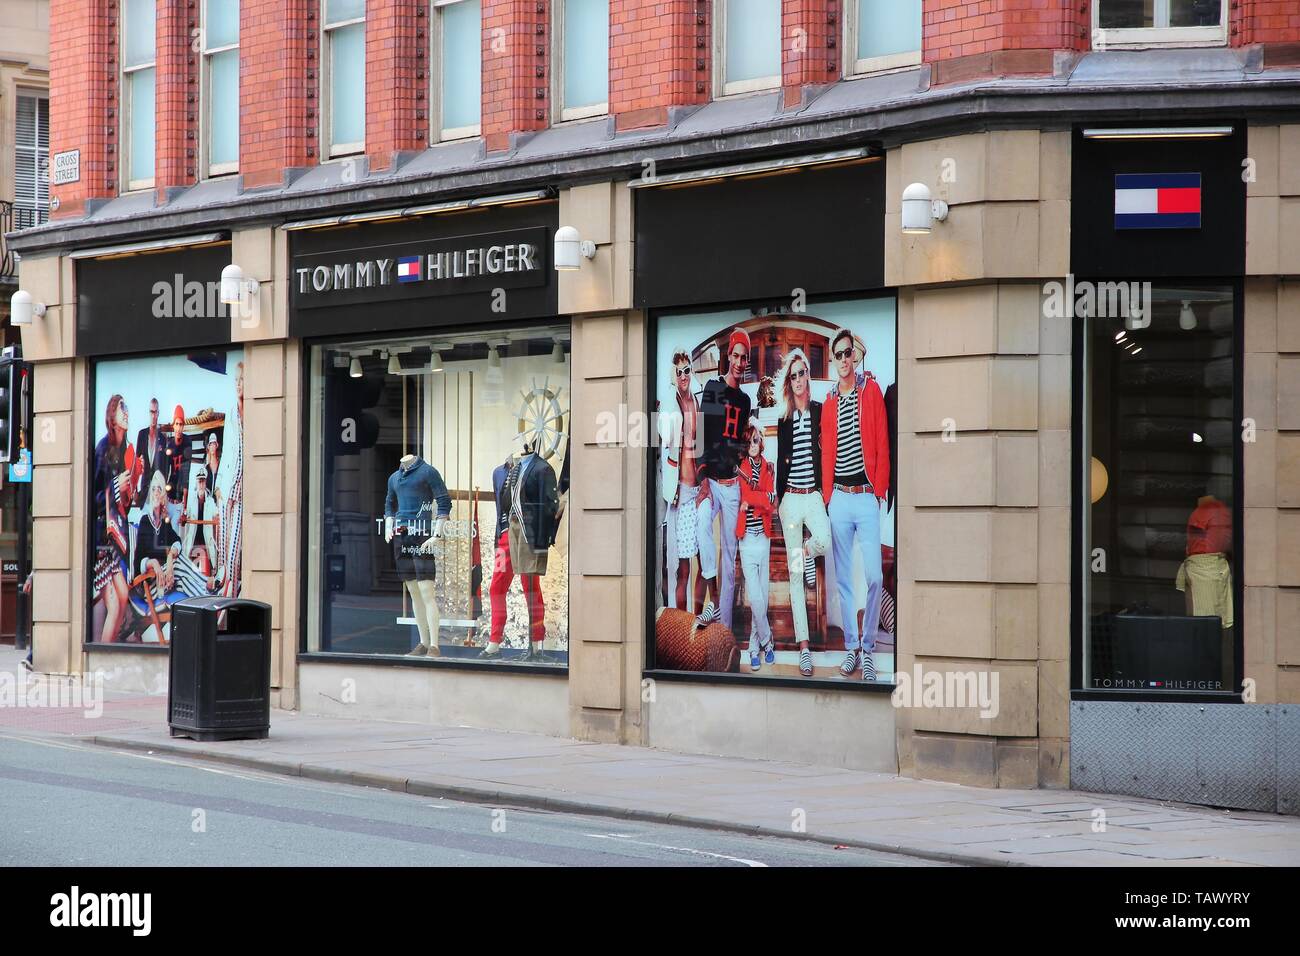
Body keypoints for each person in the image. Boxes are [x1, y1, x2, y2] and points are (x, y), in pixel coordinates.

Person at [820, 328, 890, 681]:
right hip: (840, 501)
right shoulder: (829, 401)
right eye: (839, 354)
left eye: (849, 353)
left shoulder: (871, 390)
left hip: (865, 497)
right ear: (833, 360)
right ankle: (851, 649)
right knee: (845, 580)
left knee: (874, 576)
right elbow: (826, 452)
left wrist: (879, 491)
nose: (845, 359)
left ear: (855, 356)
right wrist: (829, 496)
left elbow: (881, 440)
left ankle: (868, 648)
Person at [776, 348, 831, 678]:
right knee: (796, 576)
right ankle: (804, 647)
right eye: (793, 375)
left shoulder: (820, 411)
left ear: (808, 375)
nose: (798, 380)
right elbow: (782, 461)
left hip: (812, 498)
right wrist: (780, 498)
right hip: (791, 504)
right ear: (789, 381)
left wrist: (824, 493)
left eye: (802, 373)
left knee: (824, 540)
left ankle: (805, 553)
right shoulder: (783, 420)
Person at [695, 328, 752, 630]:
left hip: (732, 488)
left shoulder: (744, 401)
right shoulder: (713, 389)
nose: (740, 362)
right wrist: (703, 478)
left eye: (745, 358)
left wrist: (743, 462)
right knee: (702, 521)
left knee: (730, 561)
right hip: (711, 483)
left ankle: (725, 632)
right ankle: (714, 598)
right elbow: (702, 437)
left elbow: (739, 444)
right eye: (736, 355)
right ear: (728, 356)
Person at [660, 348, 702, 612]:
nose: (684, 375)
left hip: (699, 492)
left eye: (687, 370)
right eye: (679, 371)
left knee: (706, 562)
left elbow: (702, 445)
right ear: (673, 375)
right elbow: (663, 438)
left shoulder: (696, 402)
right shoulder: (670, 404)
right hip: (681, 494)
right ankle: (682, 625)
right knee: (682, 567)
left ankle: (697, 621)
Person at [91, 395, 134, 643]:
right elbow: (92, 498)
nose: (126, 412)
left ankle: (107, 651)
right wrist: (116, 487)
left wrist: (129, 490)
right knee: (116, 605)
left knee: (123, 597)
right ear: (112, 417)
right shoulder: (103, 449)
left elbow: (124, 504)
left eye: (126, 408)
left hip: (115, 539)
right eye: (122, 408)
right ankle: (104, 656)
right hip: (101, 541)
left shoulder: (124, 448)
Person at [735, 420, 776, 671]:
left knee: (761, 596)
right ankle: (767, 642)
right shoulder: (742, 467)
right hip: (747, 539)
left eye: (756, 439)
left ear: (761, 442)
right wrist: (761, 498)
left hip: (764, 537)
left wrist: (758, 500)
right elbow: (749, 496)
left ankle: (753, 649)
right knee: (756, 597)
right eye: (749, 440)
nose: (752, 444)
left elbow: (771, 503)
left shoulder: (769, 469)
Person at [133, 398, 167, 507]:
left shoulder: (163, 439)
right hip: (144, 491)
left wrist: (164, 494)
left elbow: (165, 470)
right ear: (149, 412)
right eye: (151, 412)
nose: (153, 416)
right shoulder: (142, 435)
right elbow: (136, 465)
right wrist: (135, 490)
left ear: (158, 413)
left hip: (157, 493)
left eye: (155, 412)